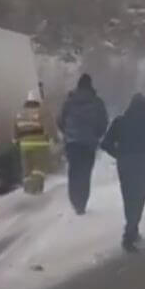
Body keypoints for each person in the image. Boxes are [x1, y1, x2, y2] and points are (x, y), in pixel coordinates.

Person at [100, 93, 145, 253]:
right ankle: (129, 235)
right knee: (139, 198)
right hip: (143, 166)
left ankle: (132, 229)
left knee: (129, 198)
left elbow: (105, 144)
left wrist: (118, 154)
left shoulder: (120, 122)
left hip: (125, 166)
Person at [58, 74, 109, 215]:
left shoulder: (68, 102)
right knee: (85, 174)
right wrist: (96, 136)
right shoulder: (97, 102)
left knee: (74, 172)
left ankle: (75, 202)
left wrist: (68, 134)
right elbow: (103, 122)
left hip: (72, 144)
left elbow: (60, 121)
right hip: (88, 144)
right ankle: (82, 203)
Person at [14, 89, 55, 195]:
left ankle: (28, 190)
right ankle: (36, 189)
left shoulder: (20, 113)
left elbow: (15, 129)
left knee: (27, 170)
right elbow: (49, 126)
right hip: (39, 144)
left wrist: (15, 140)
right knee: (39, 168)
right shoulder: (42, 111)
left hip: (24, 146)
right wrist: (52, 138)